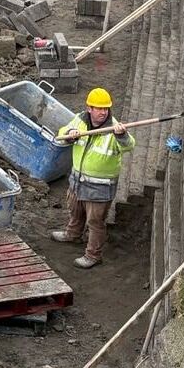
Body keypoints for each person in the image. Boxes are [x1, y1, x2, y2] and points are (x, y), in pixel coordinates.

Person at [52, 88, 134, 269]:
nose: (103, 112)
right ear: (89, 108)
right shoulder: (80, 120)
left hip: (100, 187)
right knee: (75, 211)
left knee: (95, 222)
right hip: (78, 180)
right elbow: (61, 134)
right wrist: (71, 133)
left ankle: (93, 255)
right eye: (99, 108)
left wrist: (122, 135)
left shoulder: (113, 128)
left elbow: (129, 146)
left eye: (106, 109)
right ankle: (73, 235)